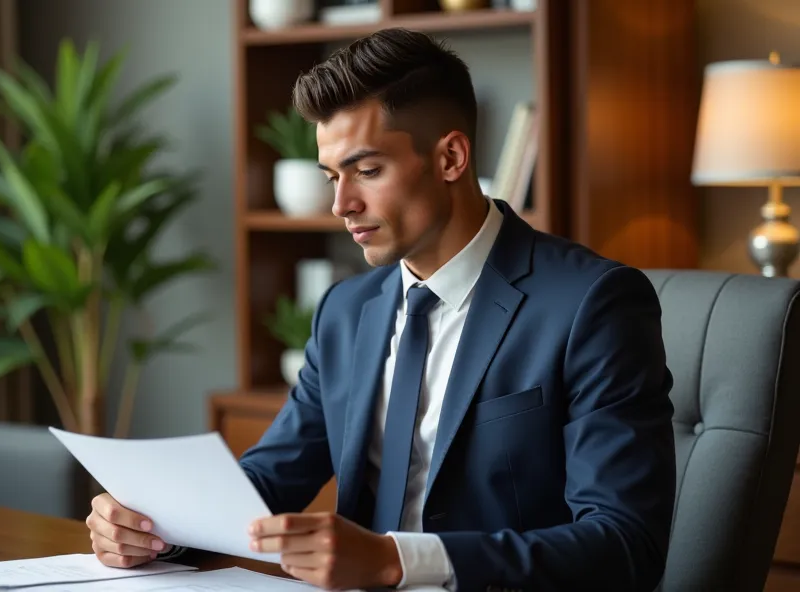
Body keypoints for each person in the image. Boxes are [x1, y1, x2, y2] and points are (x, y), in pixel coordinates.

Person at [85, 27, 677, 591]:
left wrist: (398, 561)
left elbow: (625, 544)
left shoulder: (592, 304)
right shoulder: (346, 309)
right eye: (331, 176)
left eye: (367, 171)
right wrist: (153, 529)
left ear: (450, 159)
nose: (341, 204)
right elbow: (270, 479)